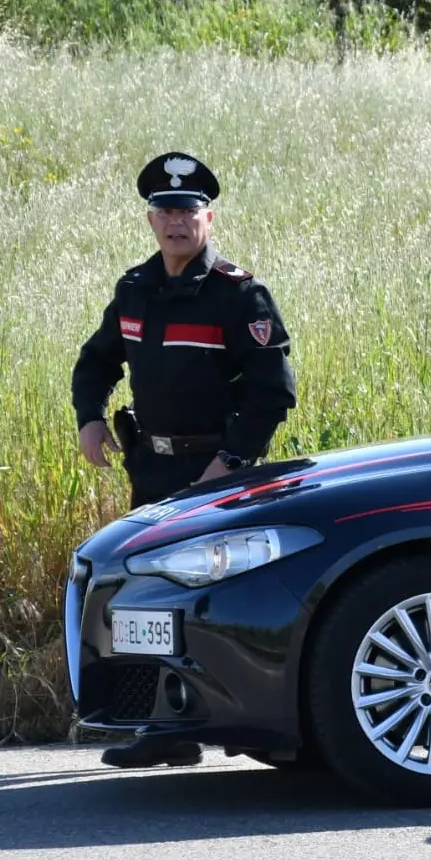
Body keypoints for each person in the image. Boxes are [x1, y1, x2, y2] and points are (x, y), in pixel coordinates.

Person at [71, 153, 296, 769]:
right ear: (151, 220)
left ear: (208, 218)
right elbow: (97, 360)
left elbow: (272, 393)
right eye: (166, 211)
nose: (176, 222)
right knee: (146, 596)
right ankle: (164, 726)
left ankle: (239, 719)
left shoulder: (239, 295)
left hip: (216, 476)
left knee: (208, 602)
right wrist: (90, 417)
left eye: (188, 211)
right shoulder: (134, 289)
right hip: (153, 470)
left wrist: (231, 462)